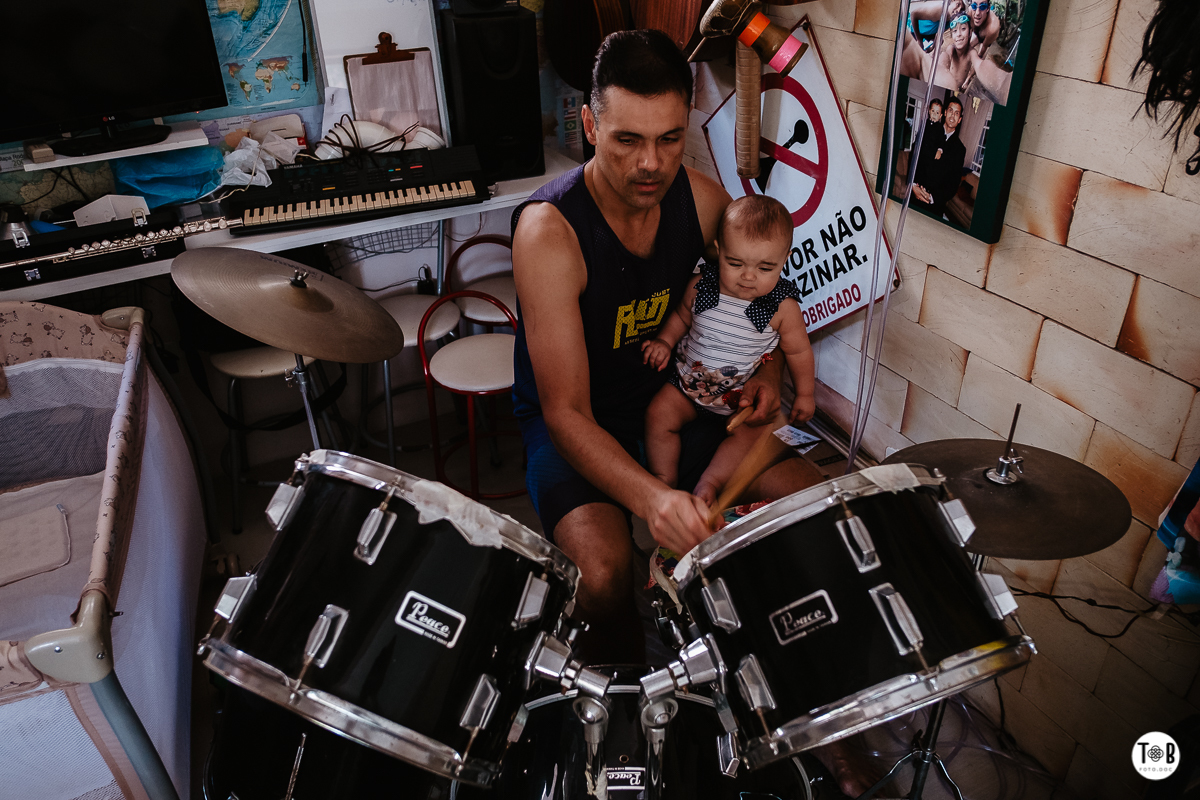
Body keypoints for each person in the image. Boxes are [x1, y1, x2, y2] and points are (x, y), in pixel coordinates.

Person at [510, 29, 823, 665]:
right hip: (580, 423)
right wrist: (654, 500)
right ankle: (625, 709)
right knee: (602, 576)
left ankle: (786, 717)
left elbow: (752, 298)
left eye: (669, 139)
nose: (651, 163)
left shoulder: (706, 202)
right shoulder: (549, 232)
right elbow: (565, 412)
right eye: (628, 140)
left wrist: (766, 371)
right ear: (592, 126)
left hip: (679, 397)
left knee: (810, 510)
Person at [641, 195, 815, 508]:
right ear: (719, 250)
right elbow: (682, 316)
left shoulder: (782, 308)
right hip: (685, 387)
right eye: (735, 264)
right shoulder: (702, 286)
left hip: (738, 402)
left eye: (765, 267)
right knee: (657, 414)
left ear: (785, 259)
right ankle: (662, 481)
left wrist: (805, 394)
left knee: (751, 437)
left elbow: (799, 352)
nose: (748, 276)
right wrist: (664, 342)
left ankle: (711, 482)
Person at [911, 96, 966, 217]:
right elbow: (914, 155)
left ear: (959, 119)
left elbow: (953, 183)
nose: (952, 116)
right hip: (914, 196)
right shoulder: (927, 129)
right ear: (945, 113)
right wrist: (912, 185)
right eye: (950, 111)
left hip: (934, 207)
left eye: (956, 113)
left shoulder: (960, 150)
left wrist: (932, 198)